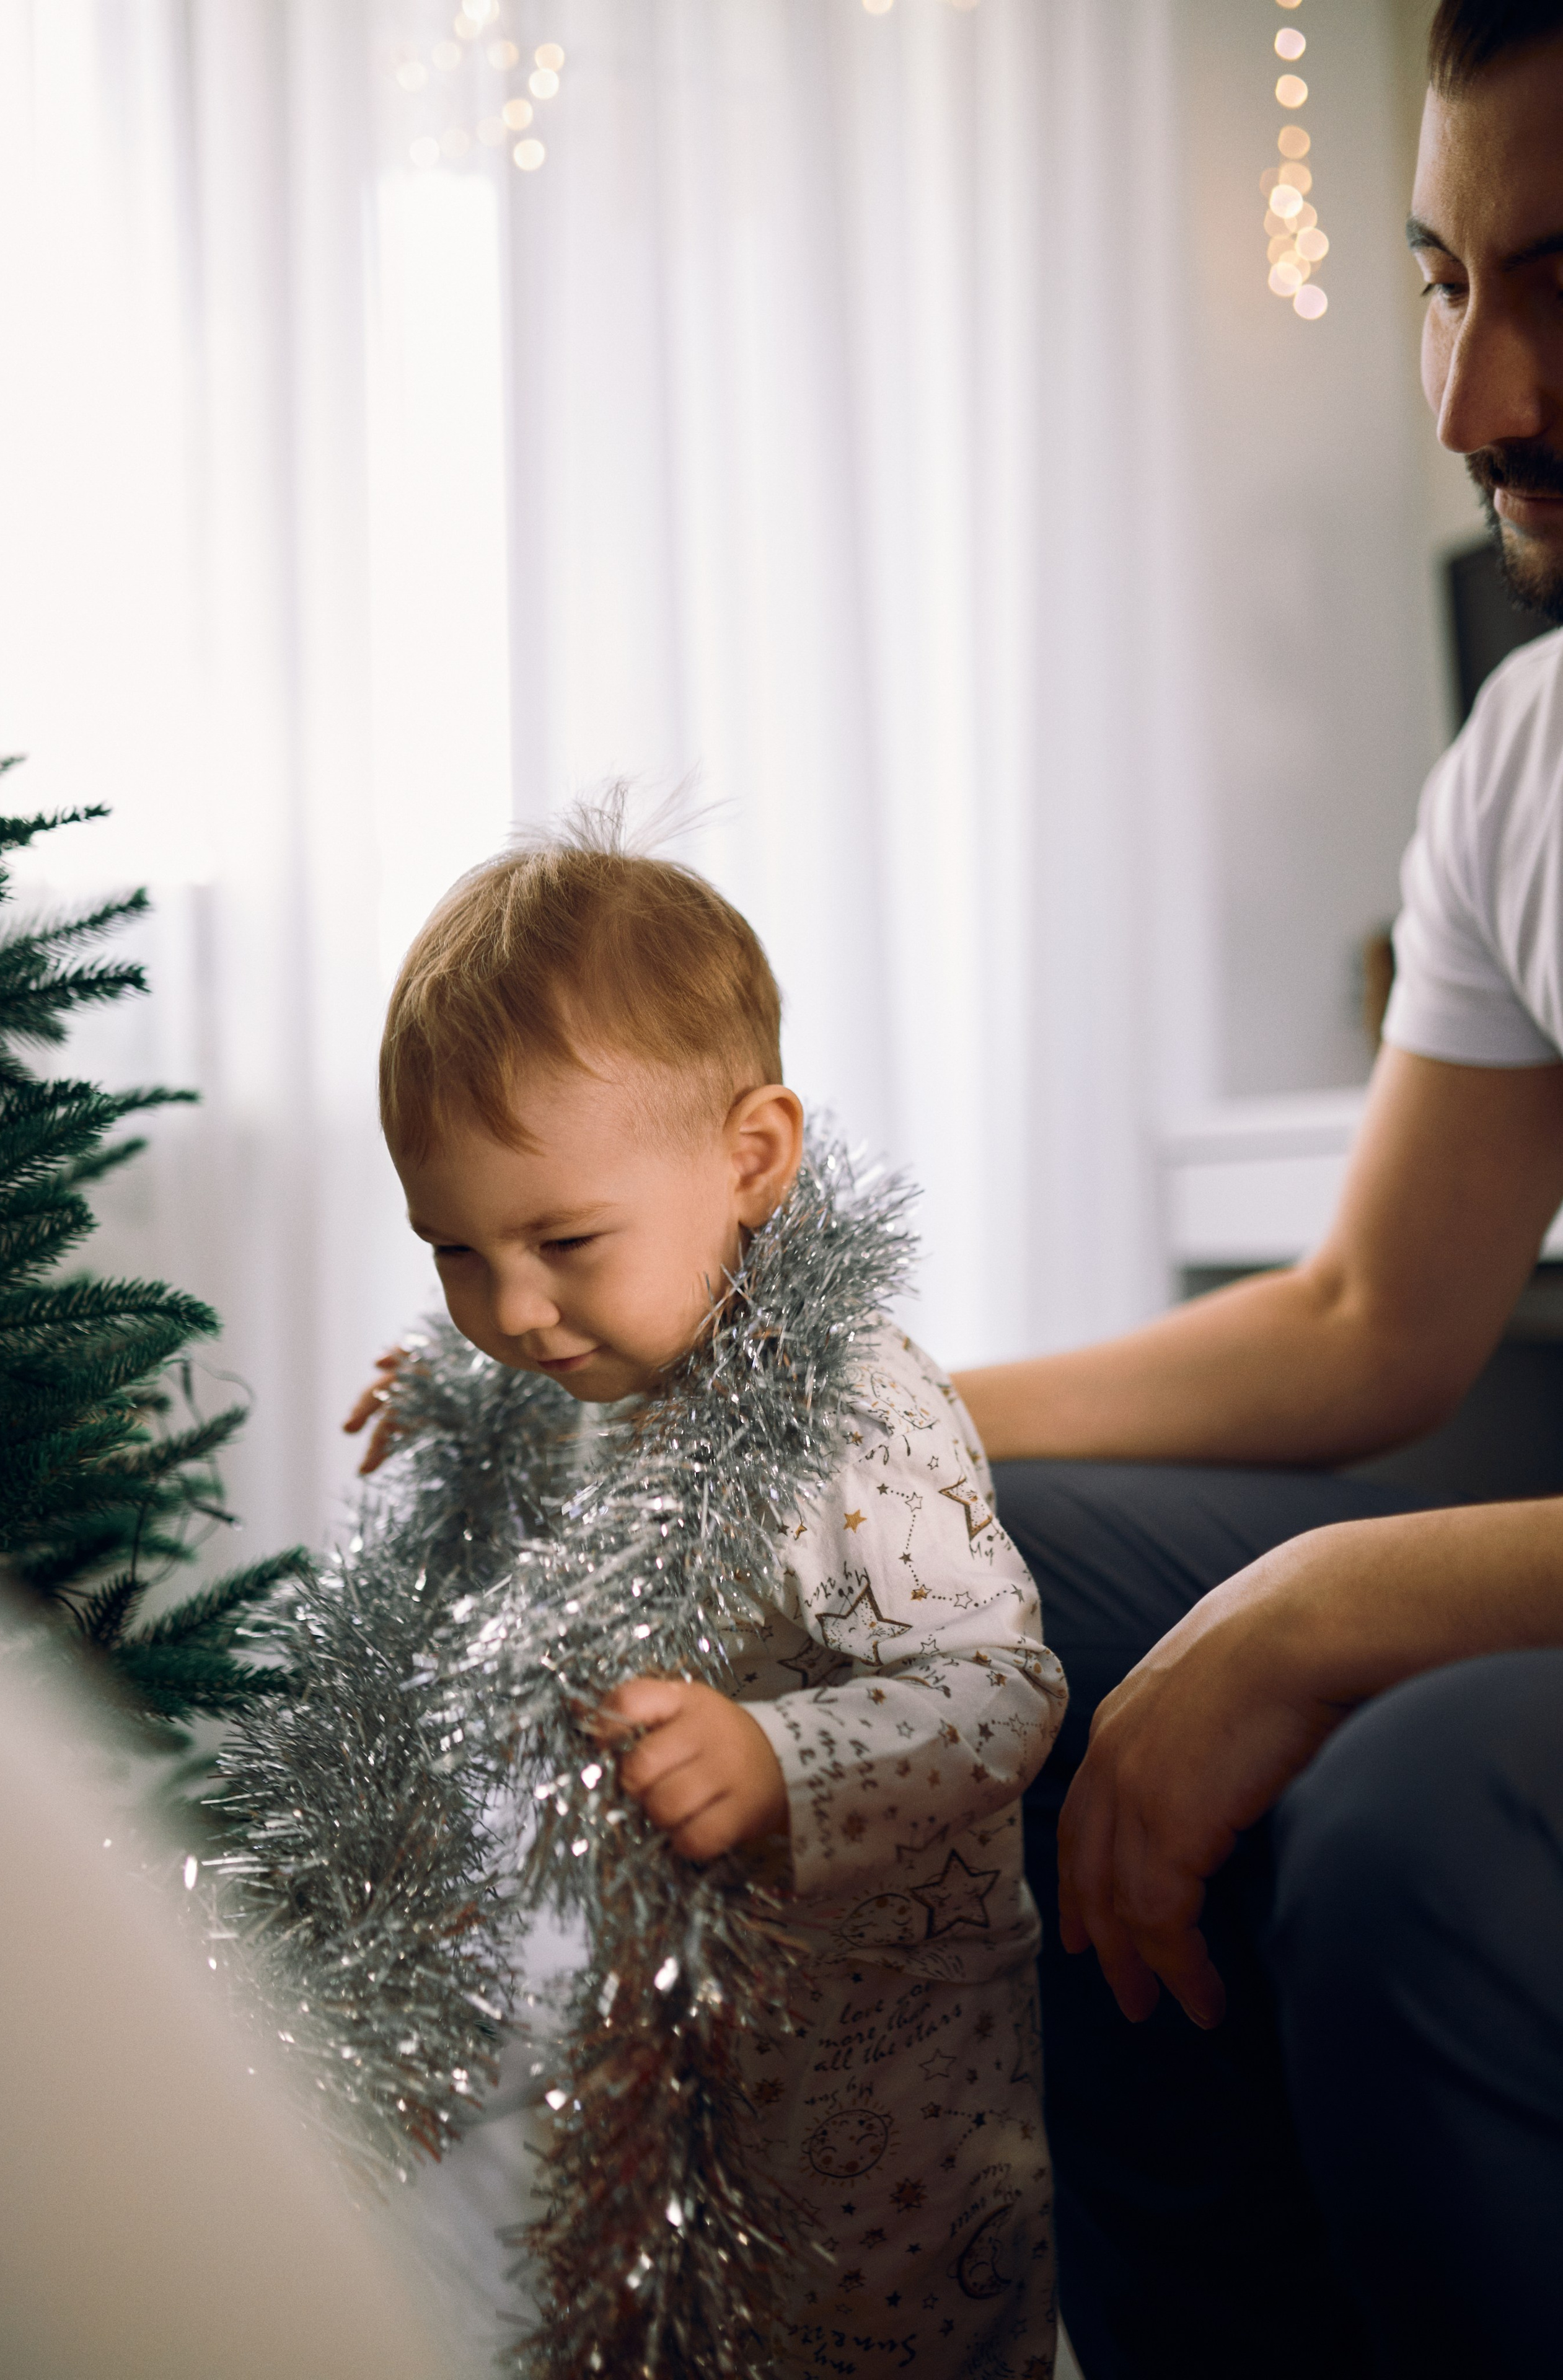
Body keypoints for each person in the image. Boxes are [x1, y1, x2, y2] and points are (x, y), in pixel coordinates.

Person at [951, 7, 1563, 2378]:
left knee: (1418, 1805)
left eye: (1561, 280)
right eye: (1441, 277)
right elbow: (1360, 1323)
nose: (1472, 399)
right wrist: (872, 1417)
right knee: (970, 1565)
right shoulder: (1524, 751)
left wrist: (1321, 1613)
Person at [352, 819, 1071, 2379]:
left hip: (886, 2044)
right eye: (456, 1253)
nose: (513, 1311)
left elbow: (1002, 1691)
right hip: (679, 2007)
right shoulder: (602, 1367)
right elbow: (559, 1503)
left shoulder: (849, 1404)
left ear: (750, 1161)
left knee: (885, 2330)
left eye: (560, 1242)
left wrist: (777, 1759)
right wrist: (452, 1407)